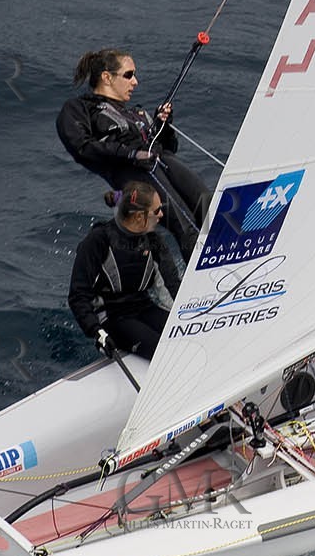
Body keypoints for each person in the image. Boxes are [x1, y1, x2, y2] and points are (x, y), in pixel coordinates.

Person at [56, 47, 210, 257]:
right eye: (128, 75)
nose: (135, 82)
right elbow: (82, 148)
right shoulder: (80, 108)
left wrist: (163, 126)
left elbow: (168, 148)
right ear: (107, 77)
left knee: (208, 207)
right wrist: (131, 154)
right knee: (185, 226)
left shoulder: (135, 112)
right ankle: (207, 271)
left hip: (162, 163)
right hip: (133, 174)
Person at [68, 182, 181, 361]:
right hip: (112, 317)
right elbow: (78, 295)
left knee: (185, 337)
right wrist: (96, 331)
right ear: (139, 217)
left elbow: (172, 284)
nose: (161, 214)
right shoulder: (98, 240)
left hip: (144, 307)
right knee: (164, 353)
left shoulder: (153, 241)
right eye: (157, 210)